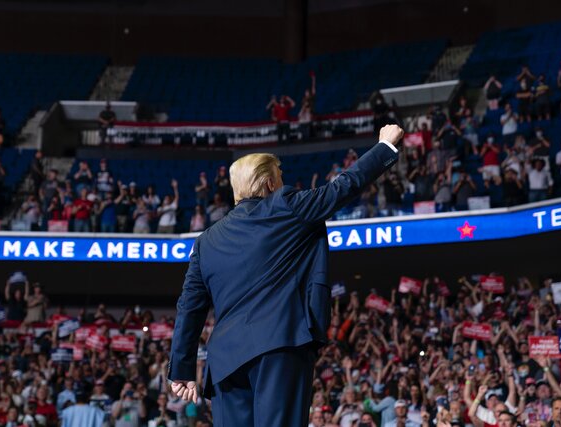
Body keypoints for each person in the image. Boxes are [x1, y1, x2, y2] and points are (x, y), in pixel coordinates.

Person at [168, 125, 403, 427]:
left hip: (225, 361)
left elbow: (189, 307)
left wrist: (182, 368)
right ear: (268, 184)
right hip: (278, 345)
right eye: (279, 179)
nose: (283, 184)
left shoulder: (206, 240)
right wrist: (384, 147)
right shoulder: (285, 206)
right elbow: (342, 188)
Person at [298, 72, 317, 140]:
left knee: (309, 123)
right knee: (302, 122)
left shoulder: (311, 97)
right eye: (305, 92)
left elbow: (313, 88)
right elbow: (303, 107)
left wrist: (313, 79)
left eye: (307, 92)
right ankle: (303, 135)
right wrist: (301, 113)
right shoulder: (303, 99)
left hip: (310, 112)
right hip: (305, 113)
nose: (306, 93)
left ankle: (310, 135)